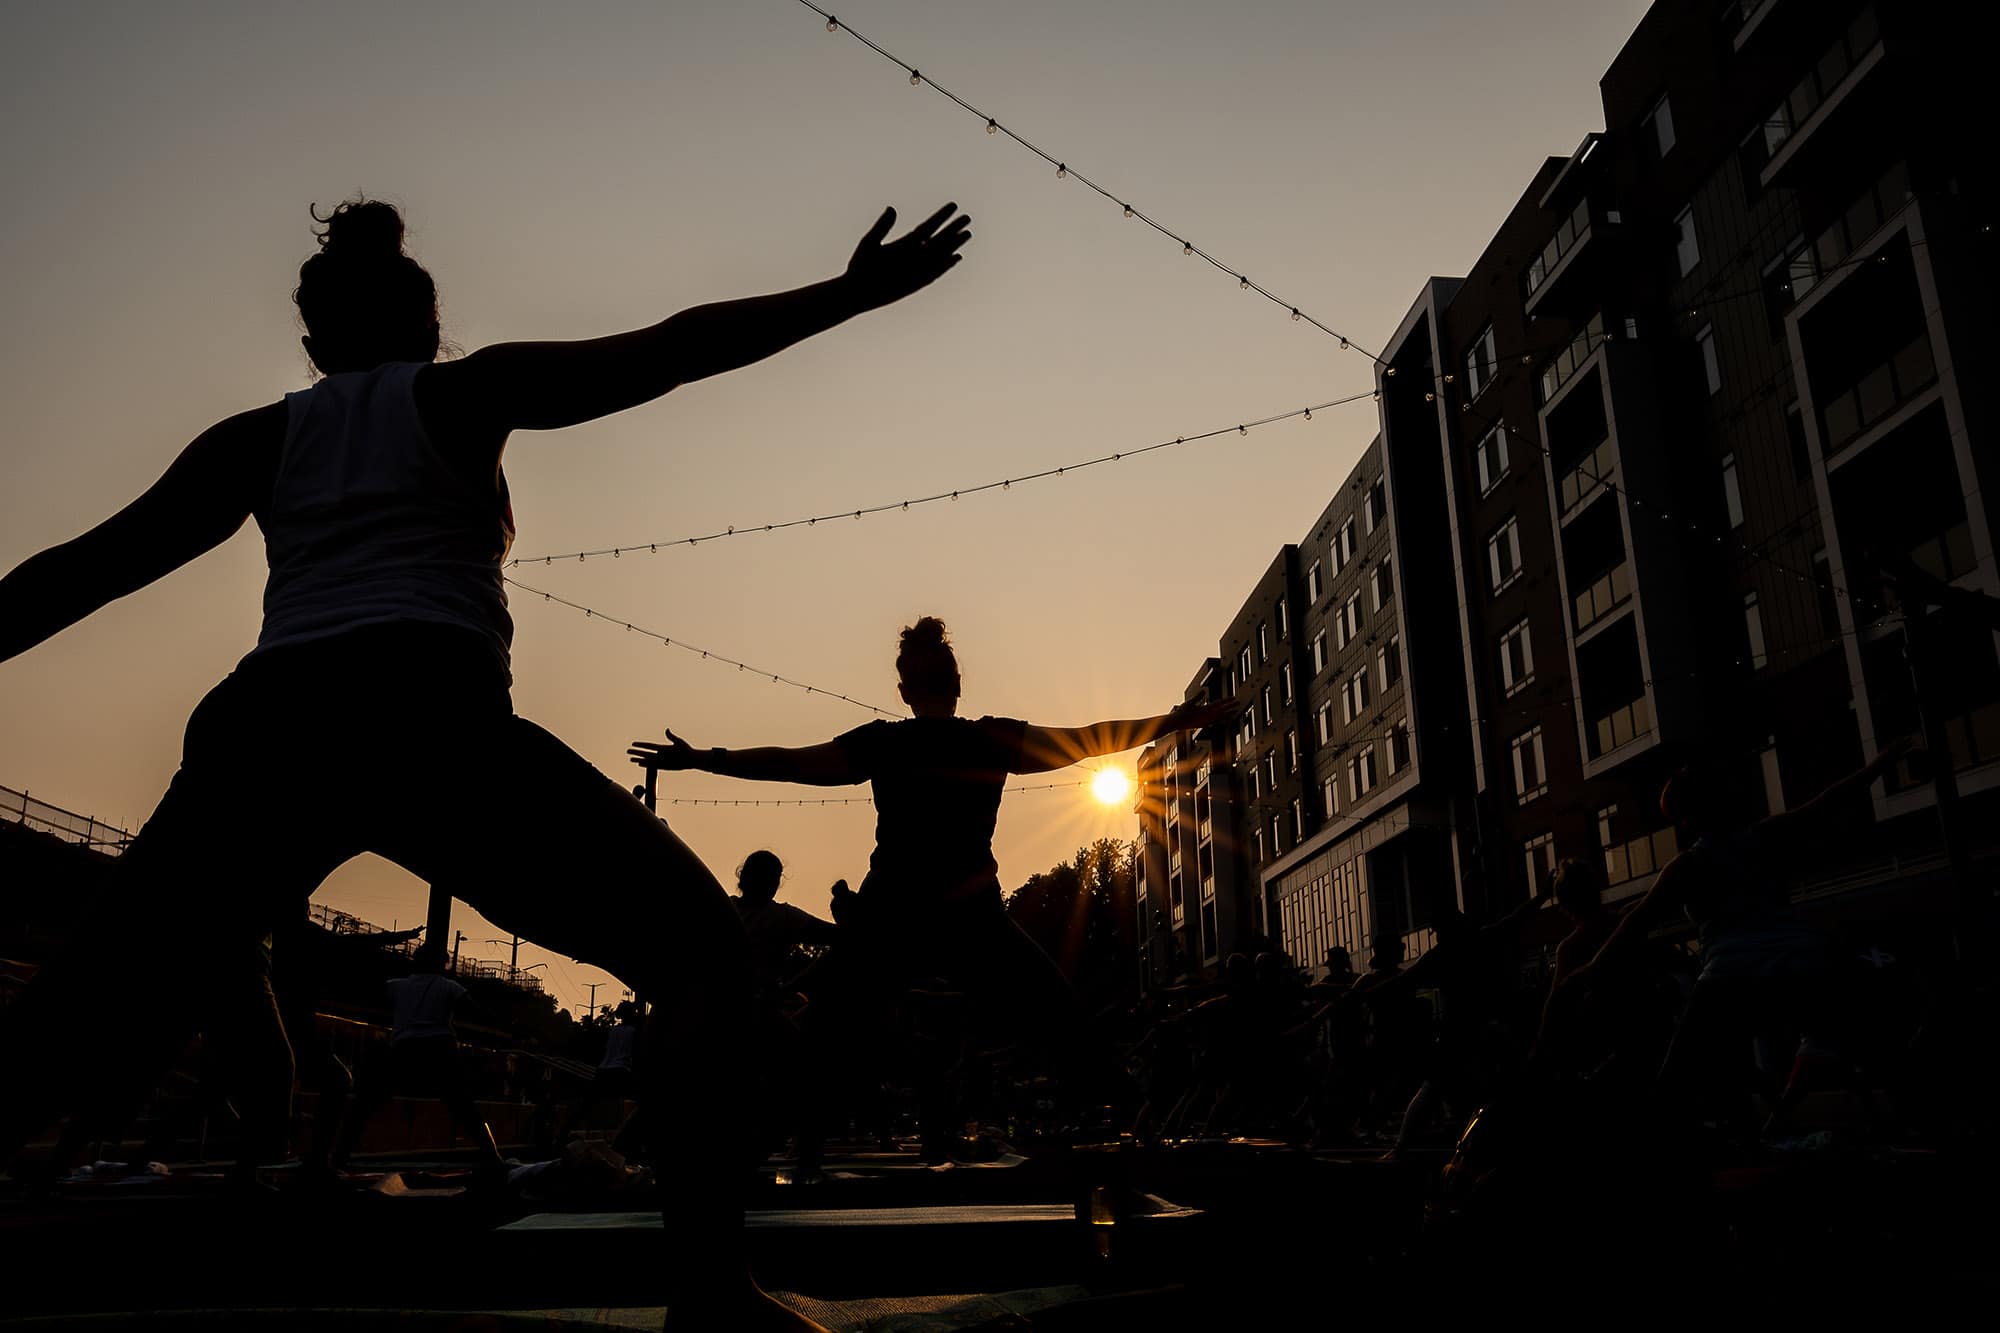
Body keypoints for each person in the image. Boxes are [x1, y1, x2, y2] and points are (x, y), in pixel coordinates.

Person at [0, 194, 971, 1331]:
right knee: (700, 949)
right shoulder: (463, 393)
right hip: (427, 715)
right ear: (428, 327)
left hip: (267, 730)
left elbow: (79, 572)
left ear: (312, 346)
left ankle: (715, 1298)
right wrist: (847, 295)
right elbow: (665, 351)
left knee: (64, 1033)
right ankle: (713, 1296)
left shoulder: (252, 440)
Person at [632, 616, 1233, 1161]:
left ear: (905, 692)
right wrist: (1174, 721)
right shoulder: (988, 739)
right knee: (1055, 1009)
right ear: (955, 684)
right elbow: (1092, 737)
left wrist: (706, 759)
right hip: (968, 910)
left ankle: (777, 1145)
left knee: (829, 1033)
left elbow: (793, 762)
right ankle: (1133, 1113)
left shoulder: (887, 742)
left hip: (894, 908)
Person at [1567, 740, 1916, 1150]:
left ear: (1690, 817)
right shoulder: (1764, 836)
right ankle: (1908, 1118)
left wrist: (1589, 971)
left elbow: (1637, 921)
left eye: (1678, 817)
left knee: (1672, 1085)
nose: (1679, 827)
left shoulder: (1688, 865)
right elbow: (1827, 803)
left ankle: (1691, 1156)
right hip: (1804, 962)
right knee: (1859, 1046)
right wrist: (1880, 764)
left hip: (1731, 973)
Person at [333, 959, 506, 1173]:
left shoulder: (397, 985)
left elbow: (372, 991)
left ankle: (340, 1153)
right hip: (440, 1049)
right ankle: (493, 1156)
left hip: (404, 1048)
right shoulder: (448, 986)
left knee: (368, 1100)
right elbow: (473, 1009)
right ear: (443, 966)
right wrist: (509, 1027)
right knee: (464, 1105)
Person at [732, 850, 840, 1005]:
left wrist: (790, 988)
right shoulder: (783, 916)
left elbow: (840, 937)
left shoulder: (783, 917)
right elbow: (842, 937)